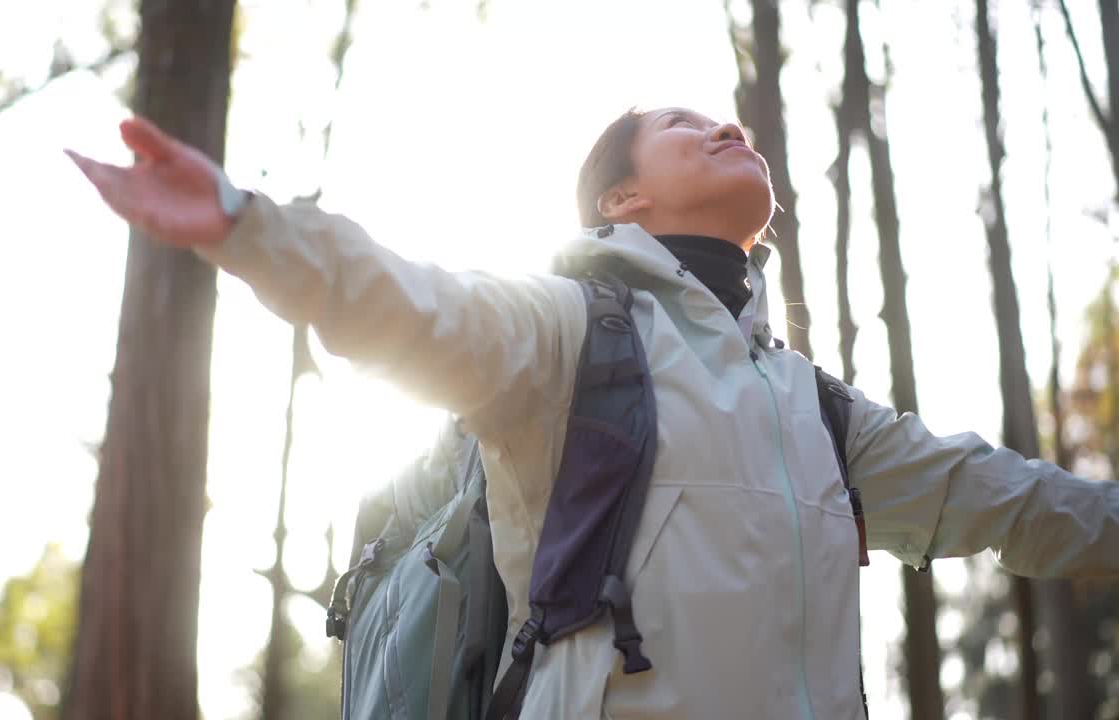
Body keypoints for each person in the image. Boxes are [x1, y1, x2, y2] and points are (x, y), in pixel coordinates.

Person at [67, 107, 1119, 719]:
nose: (726, 124)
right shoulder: (572, 333)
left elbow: (1019, 504)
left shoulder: (820, 410)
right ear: (618, 201)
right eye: (678, 124)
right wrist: (246, 226)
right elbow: (419, 306)